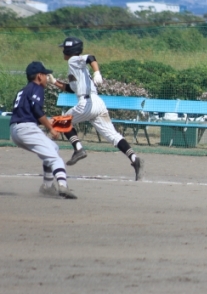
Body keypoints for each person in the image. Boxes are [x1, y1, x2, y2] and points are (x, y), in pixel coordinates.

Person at [50, 37, 145, 181]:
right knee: (113, 136)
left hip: (87, 103)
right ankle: (134, 159)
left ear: (69, 50)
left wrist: (97, 72)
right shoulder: (77, 69)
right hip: (98, 103)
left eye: (64, 48)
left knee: (62, 121)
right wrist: (54, 82)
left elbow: (90, 57)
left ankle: (78, 149)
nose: (63, 51)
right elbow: (71, 88)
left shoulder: (73, 60)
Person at [10, 61, 77, 199]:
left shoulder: (23, 90)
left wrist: (48, 122)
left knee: (54, 148)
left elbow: (27, 112)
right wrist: (50, 128)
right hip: (26, 129)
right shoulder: (37, 88)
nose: (47, 78)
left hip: (15, 130)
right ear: (39, 76)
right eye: (45, 75)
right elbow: (36, 109)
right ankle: (63, 185)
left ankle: (47, 186)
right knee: (55, 159)